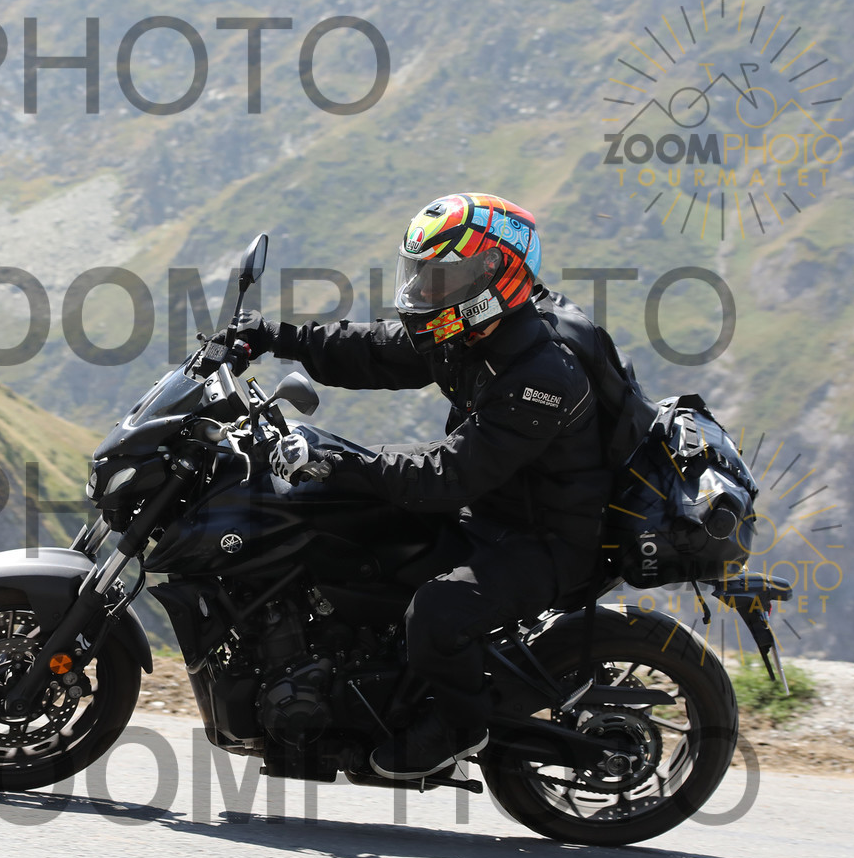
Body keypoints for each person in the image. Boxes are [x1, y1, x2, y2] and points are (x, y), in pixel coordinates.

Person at [228, 192, 613, 780]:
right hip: (490, 510)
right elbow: (374, 351)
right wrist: (275, 337)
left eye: (441, 276)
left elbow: (449, 475)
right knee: (355, 537)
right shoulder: (471, 330)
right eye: (420, 272)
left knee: (438, 611)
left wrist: (342, 461)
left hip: (544, 539)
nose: (423, 288)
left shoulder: (540, 375)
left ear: (493, 275)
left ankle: (460, 728)